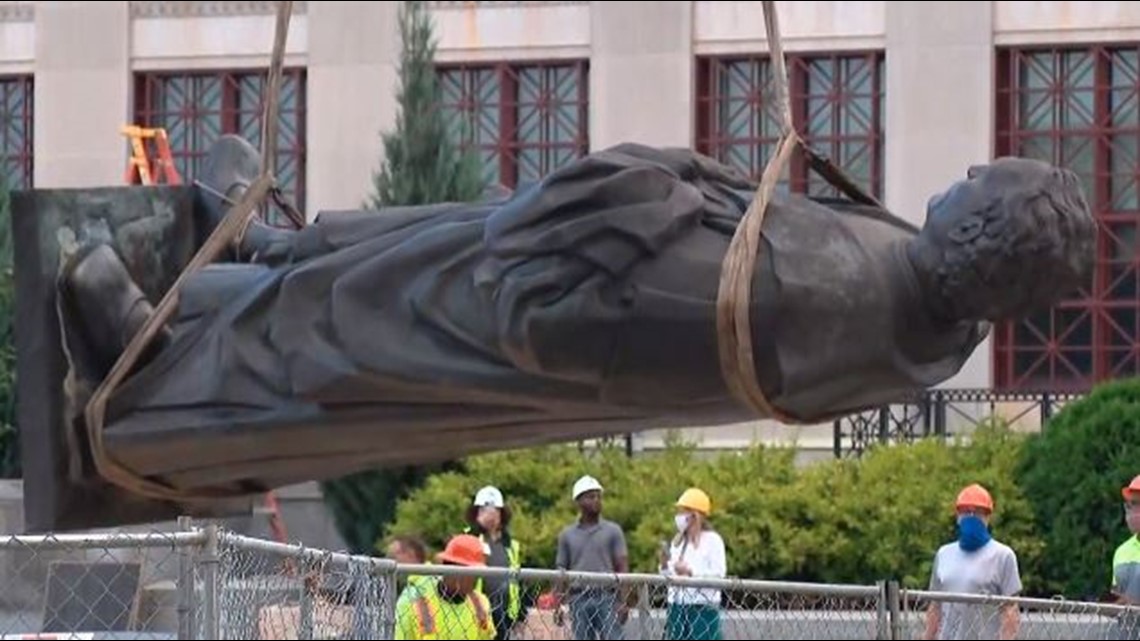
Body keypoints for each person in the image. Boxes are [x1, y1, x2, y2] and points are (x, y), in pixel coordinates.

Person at [47, 134, 1096, 508]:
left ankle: (155, 358)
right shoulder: (934, 321)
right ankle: (261, 256)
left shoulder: (821, 291)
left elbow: (567, 301)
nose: (963, 172)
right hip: (564, 308)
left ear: (981, 234)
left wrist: (645, 177)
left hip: (537, 316)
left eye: (980, 180)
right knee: (402, 252)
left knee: (361, 322)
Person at [923, 484, 1021, 640]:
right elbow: (935, 607)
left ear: (988, 517)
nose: (971, 516)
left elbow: (1010, 610)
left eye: (978, 512)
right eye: (966, 511)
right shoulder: (944, 554)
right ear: (958, 516)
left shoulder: (1003, 556)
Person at [555, 475, 630, 640]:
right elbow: (561, 570)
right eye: (590, 497)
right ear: (579, 501)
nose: (596, 500)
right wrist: (558, 603)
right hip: (579, 598)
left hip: (606, 597)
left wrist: (623, 601)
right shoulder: (567, 535)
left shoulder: (613, 531)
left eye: (598, 496)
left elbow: (622, 566)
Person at [395, 534, 497, 640]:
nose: (477, 579)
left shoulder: (480, 604)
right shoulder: (411, 600)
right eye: (473, 573)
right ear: (451, 569)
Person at [659, 488, 726, 640]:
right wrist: (664, 566)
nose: (679, 516)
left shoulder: (713, 541)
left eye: (684, 512)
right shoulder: (677, 543)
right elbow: (669, 576)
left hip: (702, 607)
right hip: (677, 606)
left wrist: (691, 572)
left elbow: (719, 575)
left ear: (695, 515)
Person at [464, 486, 526, 640]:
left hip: (505, 613)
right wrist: (477, 528)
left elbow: (519, 582)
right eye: (484, 510)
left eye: (495, 511)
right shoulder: (469, 538)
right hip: (475, 611)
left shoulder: (511, 545)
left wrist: (520, 616)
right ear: (476, 513)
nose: (490, 515)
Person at [1111, 475, 1140, 639]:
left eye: (1135, 504)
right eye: (1128, 505)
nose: (1130, 511)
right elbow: (1118, 597)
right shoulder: (1121, 552)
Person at [387, 534, 432, 599]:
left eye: (395, 554)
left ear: (411, 554)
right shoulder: (410, 584)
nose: (392, 559)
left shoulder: (430, 581)